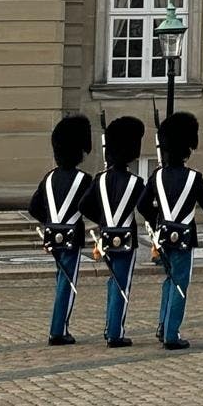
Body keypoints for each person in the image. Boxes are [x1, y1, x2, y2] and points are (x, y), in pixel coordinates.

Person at [138, 111, 203, 350]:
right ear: (187, 148)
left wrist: (158, 221)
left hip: (163, 237)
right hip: (184, 237)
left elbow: (143, 205)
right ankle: (171, 334)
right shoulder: (194, 177)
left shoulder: (157, 177)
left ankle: (163, 325)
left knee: (169, 280)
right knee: (180, 283)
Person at [78, 116, 145, 348]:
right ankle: (115, 332)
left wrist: (103, 221)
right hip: (127, 237)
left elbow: (83, 206)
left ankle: (109, 327)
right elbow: (145, 206)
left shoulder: (99, 180)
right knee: (121, 283)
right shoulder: (136, 182)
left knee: (112, 281)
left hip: (106, 237)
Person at [28, 115, 93, 346]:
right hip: (72, 236)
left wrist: (51, 222)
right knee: (67, 282)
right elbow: (90, 206)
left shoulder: (49, 178)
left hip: (53, 235)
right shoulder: (84, 179)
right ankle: (58, 330)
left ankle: (59, 327)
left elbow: (33, 207)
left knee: (61, 279)